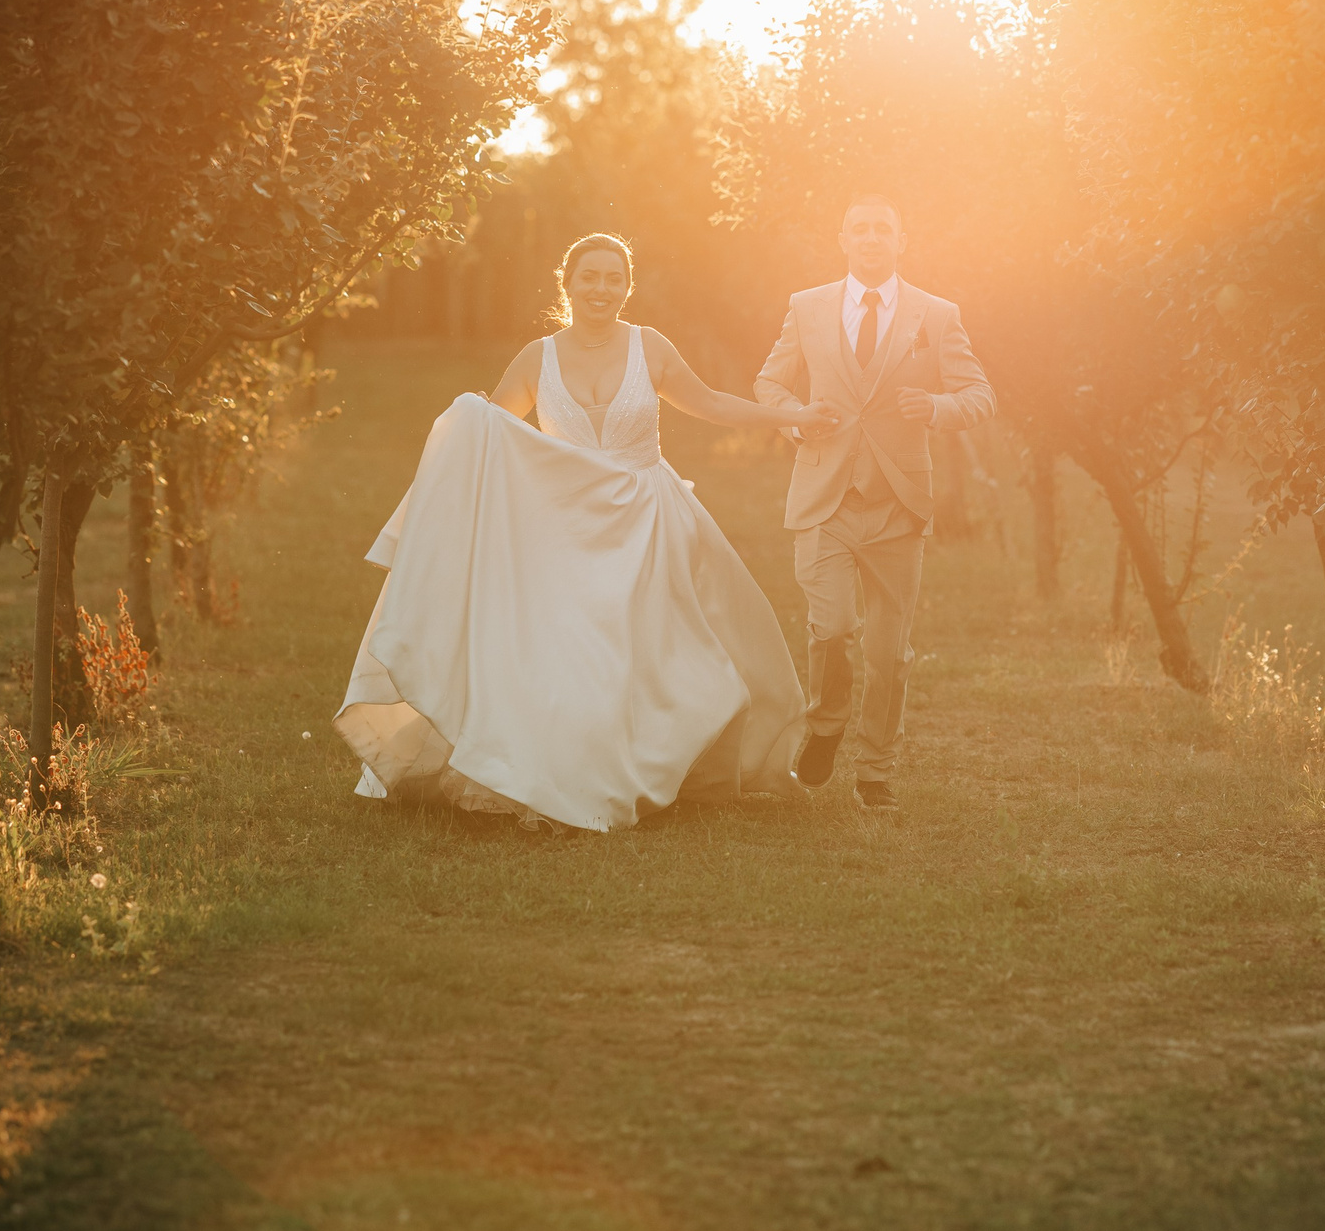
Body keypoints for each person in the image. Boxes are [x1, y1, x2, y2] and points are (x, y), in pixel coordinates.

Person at [337, 233, 843, 831]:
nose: (601, 288)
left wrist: (794, 416)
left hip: (648, 524)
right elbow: (494, 437)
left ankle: (627, 769)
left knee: (650, 658)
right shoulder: (536, 357)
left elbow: (710, 405)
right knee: (573, 655)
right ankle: (559, 779)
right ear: (568, 283)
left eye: (613, 278)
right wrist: (466, 420)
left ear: (627, 287)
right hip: (565, 530)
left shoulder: (649, 348)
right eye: (590, 277)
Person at [755, 195, 995, 811]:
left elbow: (979, 394)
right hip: (824, 496)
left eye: (881, 229)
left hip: (898, 502)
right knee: (831, 625)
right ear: (842, 238)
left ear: (901, 240)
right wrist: (797, 420)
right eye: (858, 229)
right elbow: (770, 381)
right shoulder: (806, 307)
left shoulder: (937, 315)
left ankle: (876, 770)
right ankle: (827, 722)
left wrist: (936, 408)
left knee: (889, 652)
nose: (870, 239)